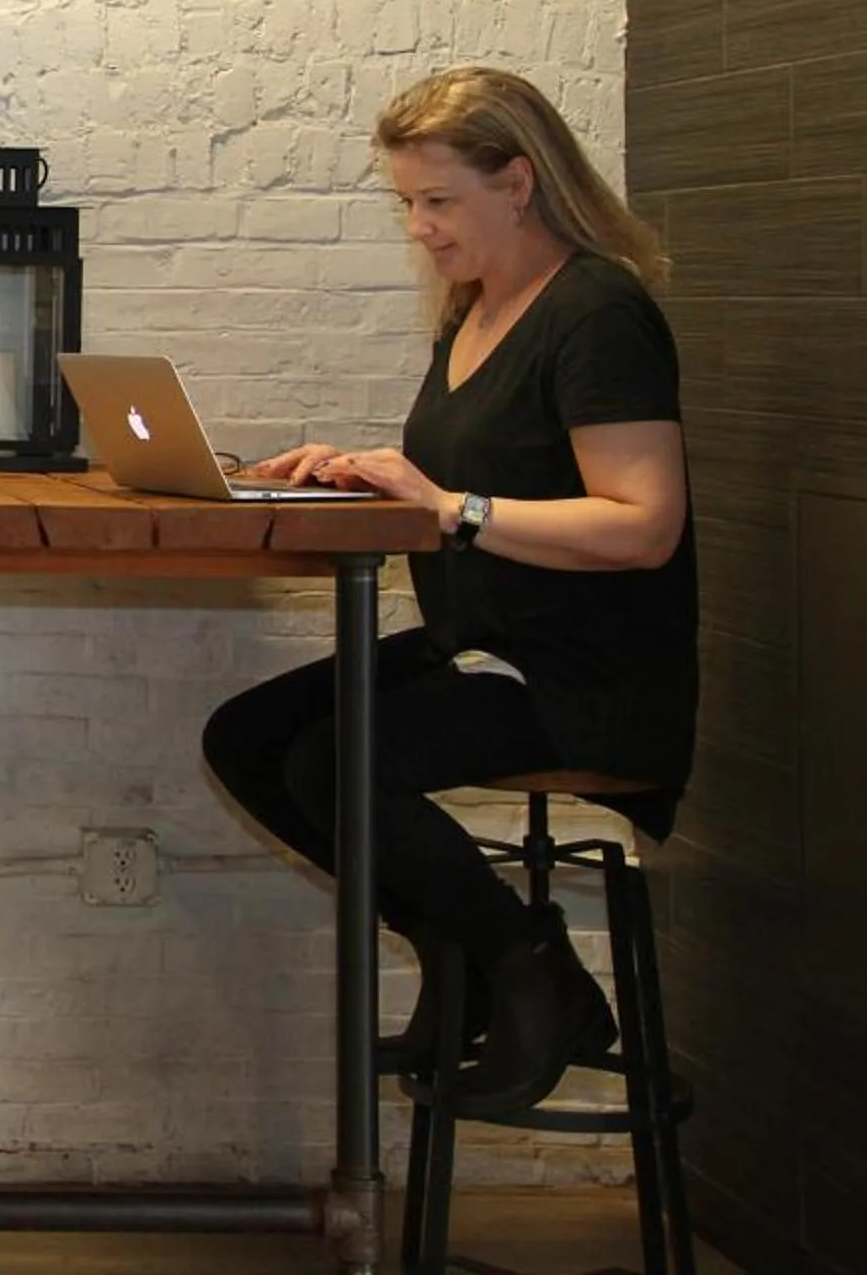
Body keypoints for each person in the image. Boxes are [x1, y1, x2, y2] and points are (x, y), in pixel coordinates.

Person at [201, 66, 697, 1114]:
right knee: (248, 739)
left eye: (439, 201)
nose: (420, 227)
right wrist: (369, 471)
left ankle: (530, 970)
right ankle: (460, 946)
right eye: (408, 204)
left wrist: (450, 506)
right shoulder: (475, 309)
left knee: (339, 761)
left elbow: (644, 523)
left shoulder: (596, 311)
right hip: (486, 640)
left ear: (517, 182)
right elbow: (486, 472)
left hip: (586, 673)